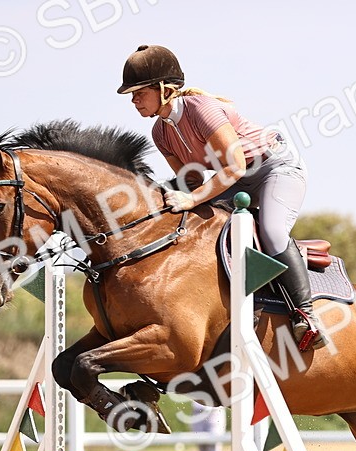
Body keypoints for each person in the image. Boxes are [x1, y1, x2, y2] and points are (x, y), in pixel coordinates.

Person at [118, 44, 327, 350]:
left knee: (271, 230)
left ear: (164, 89)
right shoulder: (160, 133)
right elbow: (190, 179)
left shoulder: (201, 109)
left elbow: (235, 165)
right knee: (193, 222)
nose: (134, 100)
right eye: (132, 95)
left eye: (139, 92)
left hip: (274, 168)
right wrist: (155, 193)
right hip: (236, 177)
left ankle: (306, 317)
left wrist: (190, 198)